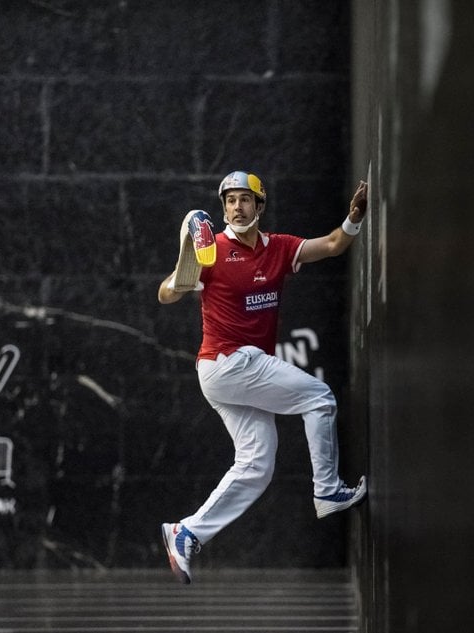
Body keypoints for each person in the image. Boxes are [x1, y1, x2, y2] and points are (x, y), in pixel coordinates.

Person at [157, 170, 369, 584]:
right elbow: (166, 294)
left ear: (260, 206)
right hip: (228, 361)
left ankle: (186, 533)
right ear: (223, 210)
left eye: (244, 199)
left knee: (257, 463)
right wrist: (183, 267)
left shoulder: (279, 248)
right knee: (320, 398)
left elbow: (331, 245)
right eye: (230, 201)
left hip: (227, 371)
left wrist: (355, 217)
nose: (237, 207)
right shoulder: (211, 251)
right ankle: (327, 490)